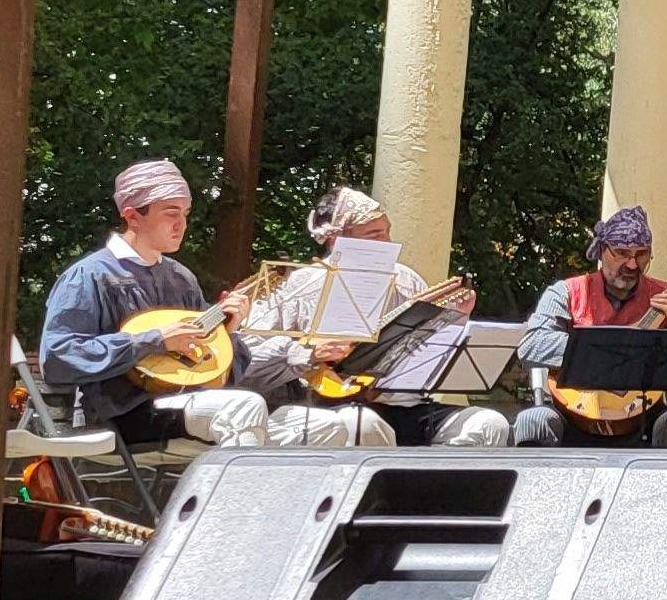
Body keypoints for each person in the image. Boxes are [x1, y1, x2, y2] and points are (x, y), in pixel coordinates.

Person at [36, 161, 387, 449]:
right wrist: (154, 340)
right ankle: (234, 524)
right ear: (132, 216)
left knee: (350, 425)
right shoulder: (90, 276)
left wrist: (227, 334)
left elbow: (218, 374)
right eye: (170, 213)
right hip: (123, 412)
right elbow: (58, 357)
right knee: (244, 407)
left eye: (186, 213)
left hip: (195, 404)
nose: (181, 224)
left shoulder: (179, 277)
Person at [251, 185, 495, 446]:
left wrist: (456, 320)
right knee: (364, 426)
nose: (387, 244)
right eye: (374, 235)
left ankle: (440, 487)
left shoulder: (405, 279)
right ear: (336, 240)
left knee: (489, 425)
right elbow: (246, 358)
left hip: (405, 405)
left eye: (387, 231)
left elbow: (431, 356)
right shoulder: (299, 286)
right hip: (326, 406)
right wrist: (305, 352)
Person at [512, 206, 667, 449]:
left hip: (642, 416)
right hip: (571, 415)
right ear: (602, 251)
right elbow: (531, 347)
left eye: (641, 254)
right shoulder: (566, 292)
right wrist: (605, 348)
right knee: (534, 419)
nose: (633, 264)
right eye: (622, 253)